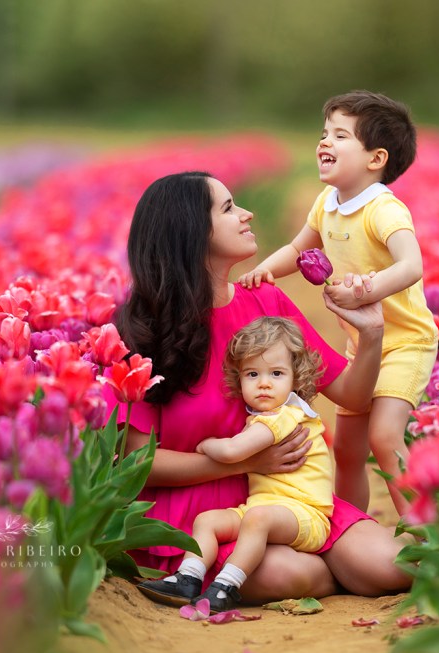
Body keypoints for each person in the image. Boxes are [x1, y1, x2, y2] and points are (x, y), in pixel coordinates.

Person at [116, 170, 410, 605]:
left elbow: (350, 395)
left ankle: (344, 567)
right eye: (229, 208)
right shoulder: (140, 332)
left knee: (389, 565)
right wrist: (244, 462)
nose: (247, 214)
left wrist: (370, 336)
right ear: (192, 232)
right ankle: (328, 572)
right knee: (284, 571)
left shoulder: (265, 303)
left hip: (285, 495)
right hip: (196, 508)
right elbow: (136, 462)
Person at [238, 90, 439, 517]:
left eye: (340, 135)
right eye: (324, 133)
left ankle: (426, 536)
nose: (324, 142)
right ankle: (350, 529)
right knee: (347, 448)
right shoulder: (326, 203)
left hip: (406, 343)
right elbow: (297, 249)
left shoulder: (384, 210)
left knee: (384, 438)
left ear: (375, 158)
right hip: (361, 344)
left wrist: (366, 291)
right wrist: (265, 272)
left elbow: (411, 265)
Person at [137, 316, 334, 612]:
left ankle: (227, 585)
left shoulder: (286, 415)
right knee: (208, 521)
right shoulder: (261, 417)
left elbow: (232, 452)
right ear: (239, 379)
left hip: (306, 514)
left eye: (277, 374)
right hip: (265, 507)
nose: (264, 383)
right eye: (253, 374)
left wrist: (206, 446)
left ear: (296, 378)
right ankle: (187, 577)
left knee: (258, 519)